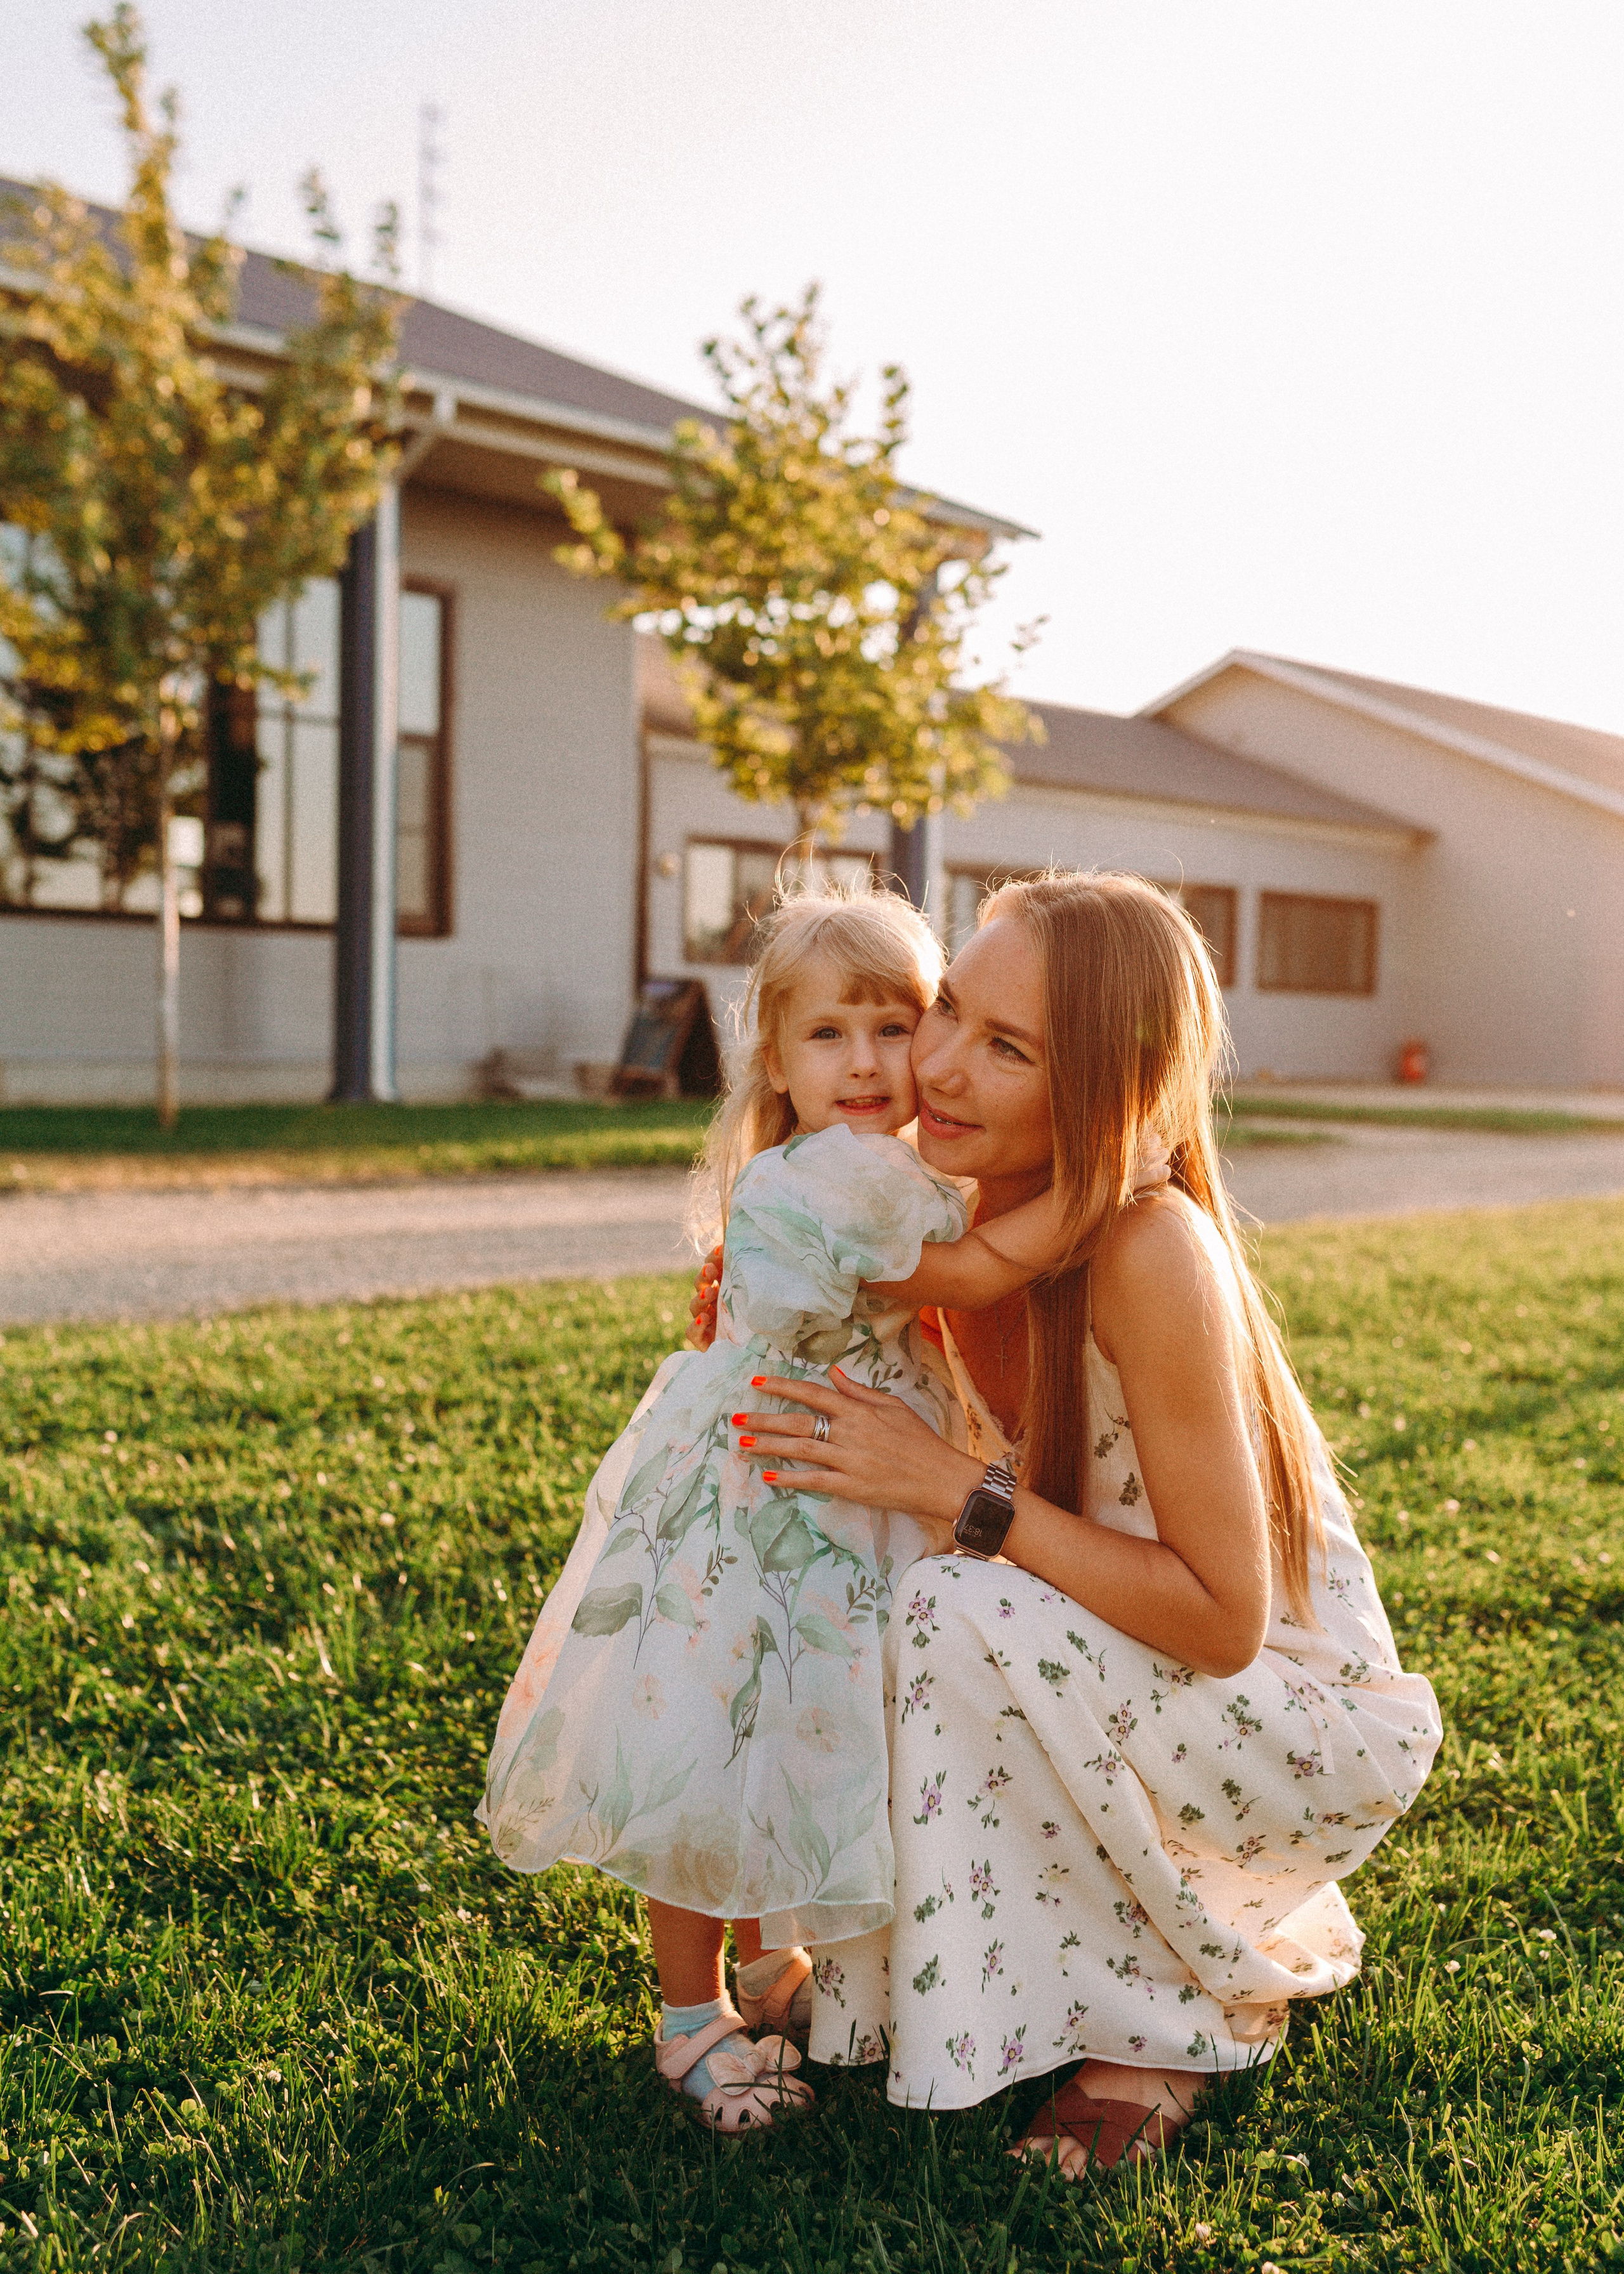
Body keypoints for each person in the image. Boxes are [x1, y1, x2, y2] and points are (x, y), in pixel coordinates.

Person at [723, 871, 1443, 2172]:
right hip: (1116, 1651)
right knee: (903, 1585)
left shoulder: (1147, 1248)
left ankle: (1156, 2025)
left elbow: (1223, 1622)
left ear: (1101, 1087)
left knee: (953, 1587)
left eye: (1005, 1049)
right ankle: (921, 1983)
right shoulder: (956, 1208)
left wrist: (961, 1496)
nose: (935, 1062)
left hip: (1286, 1718)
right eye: (948, 1009)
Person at [477, 890, 1085, 2133]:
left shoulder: (858, 1167)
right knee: (712, 1748)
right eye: (827, 1035)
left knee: (791, 1726)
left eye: (892, 1024)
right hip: (769, 1506)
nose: (864, 1061)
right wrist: (1111, 1174)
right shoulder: (841, 1176)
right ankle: (688, 2011)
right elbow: (974, 1267)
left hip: (828, 1489)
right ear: (774, 1057)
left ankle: (767, 1964)